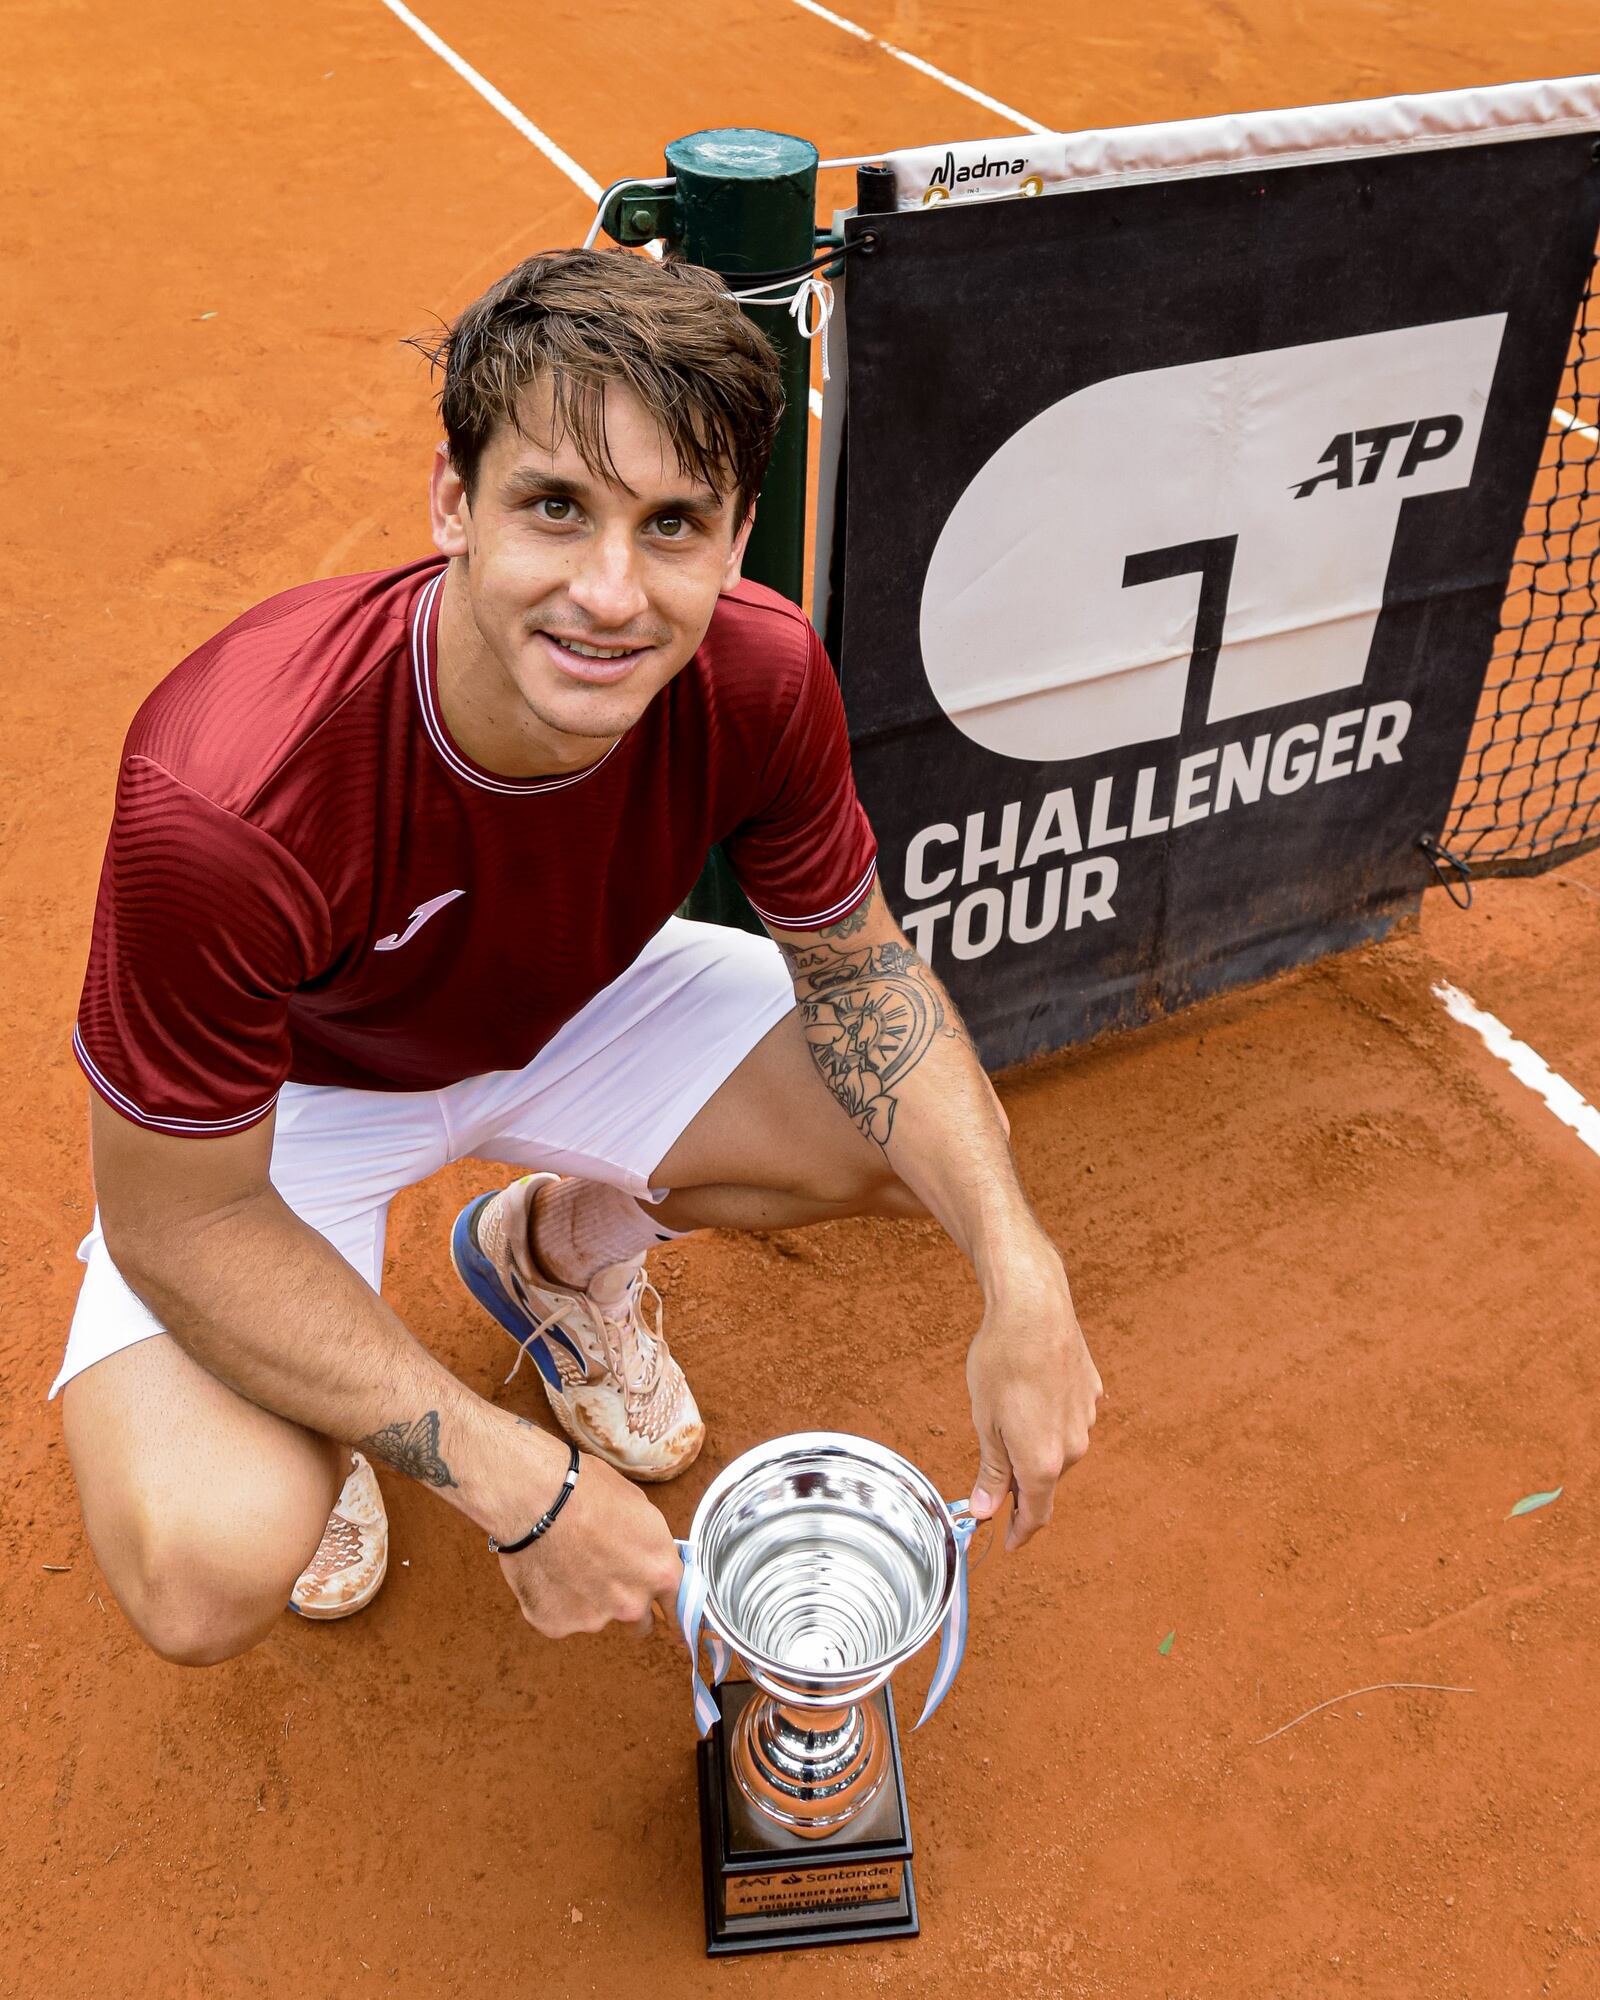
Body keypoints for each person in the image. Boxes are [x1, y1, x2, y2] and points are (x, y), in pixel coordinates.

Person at [58, 248, 1102, 1666]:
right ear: (453, 504)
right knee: (210, 1562)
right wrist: (516, 1486)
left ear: (737, 542)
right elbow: (180, 1223)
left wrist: (1021, 1270)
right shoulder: (232, 796)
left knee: (902, 1142)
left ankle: (551, 1253)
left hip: (571, 1004)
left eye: (673, 524)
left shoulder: (763, 671)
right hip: (300, 1098)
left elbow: (861, 978)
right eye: (557, 507)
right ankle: (318, 1402)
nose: (613, 594)